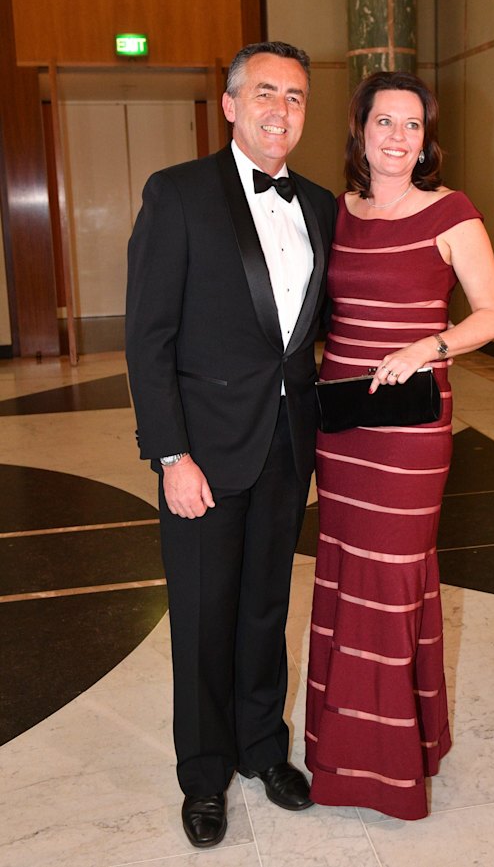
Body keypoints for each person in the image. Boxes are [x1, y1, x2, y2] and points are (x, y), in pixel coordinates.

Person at [126, 41, 336, 848]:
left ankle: (262, 747)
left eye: (295, 97)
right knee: (203, 616)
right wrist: (171, 456)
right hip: (204, 455)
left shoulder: (319, 204)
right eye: (265, 93)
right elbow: (148, 339)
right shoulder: (177, 194)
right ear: (230, 105)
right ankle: (204, 772)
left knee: (265, 606)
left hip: (286, 441)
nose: (280, 110)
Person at [305, 71, 494, 821]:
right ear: (360, 131)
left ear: (427, 140)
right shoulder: (337, 212)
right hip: (343, 425)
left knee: (392, 577)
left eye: (412, 124)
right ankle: (349, 745)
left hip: (410, 430)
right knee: (345, 572)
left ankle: (386, 765)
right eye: (384, 121)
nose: (397, 136)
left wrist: (429, 344)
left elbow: (493, 313)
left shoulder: (452, 213)